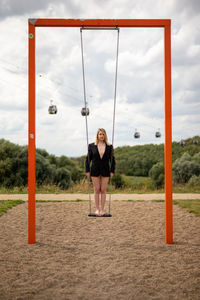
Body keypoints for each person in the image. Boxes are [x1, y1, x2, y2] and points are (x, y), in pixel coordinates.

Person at [85, 128, 115, 216]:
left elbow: (113, 160)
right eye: (100, 134)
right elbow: (88, 159)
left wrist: (112, 171)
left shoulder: (109, 146)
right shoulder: (91, 146)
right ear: (97, 135)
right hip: (94, 170)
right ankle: (97, 209)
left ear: (105, 135)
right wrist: (87, 170)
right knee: (97, 190)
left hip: (106, 170)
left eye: (103, 134)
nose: (101, 136)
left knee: (103, 190)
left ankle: (102, 210)